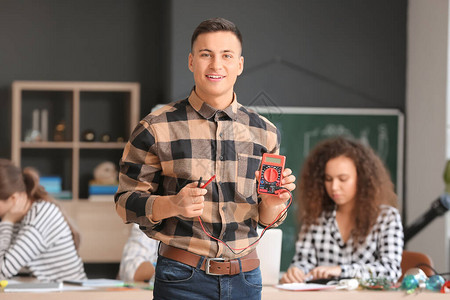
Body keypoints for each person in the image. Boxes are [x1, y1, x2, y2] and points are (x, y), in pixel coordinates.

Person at [115, 17, 296, 299]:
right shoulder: (155, 127)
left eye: (226, 55)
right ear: (191, 61)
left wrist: (272, 206)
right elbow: (125, 203)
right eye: (205, 55)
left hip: (246, 281)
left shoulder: (265, 133)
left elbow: (266, 219)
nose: (216, 65)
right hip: (181, 279)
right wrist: (173, 204)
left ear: (239, 64)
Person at [280, 137, 403, 284]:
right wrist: (296, 271)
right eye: (328, 179)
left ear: (362, 178)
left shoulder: (387, 218)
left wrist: (340, 270)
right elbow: (304, 262)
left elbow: (391, 270)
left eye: (343, 179)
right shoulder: (315, 217)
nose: (334, 187)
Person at [0, 159, 86, 282]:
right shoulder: (13, 217)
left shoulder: (41, 215)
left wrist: (7, 222)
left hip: (69, 294)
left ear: (13, 198)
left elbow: (2, 270)